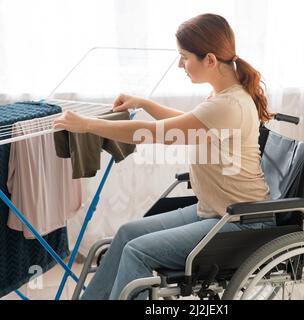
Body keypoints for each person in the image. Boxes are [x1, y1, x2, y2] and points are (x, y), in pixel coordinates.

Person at [53, 13, 274, 300]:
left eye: (184, 57)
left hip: (239, 221)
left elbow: (154, 132)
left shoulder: (229, 104)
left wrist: (88, 125)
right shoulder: (223, 97)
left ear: (209, 59)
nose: (180, 64)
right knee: (126, 235)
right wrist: (144, 103)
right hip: (214, 211)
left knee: (138, 253)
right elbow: (187, 121)